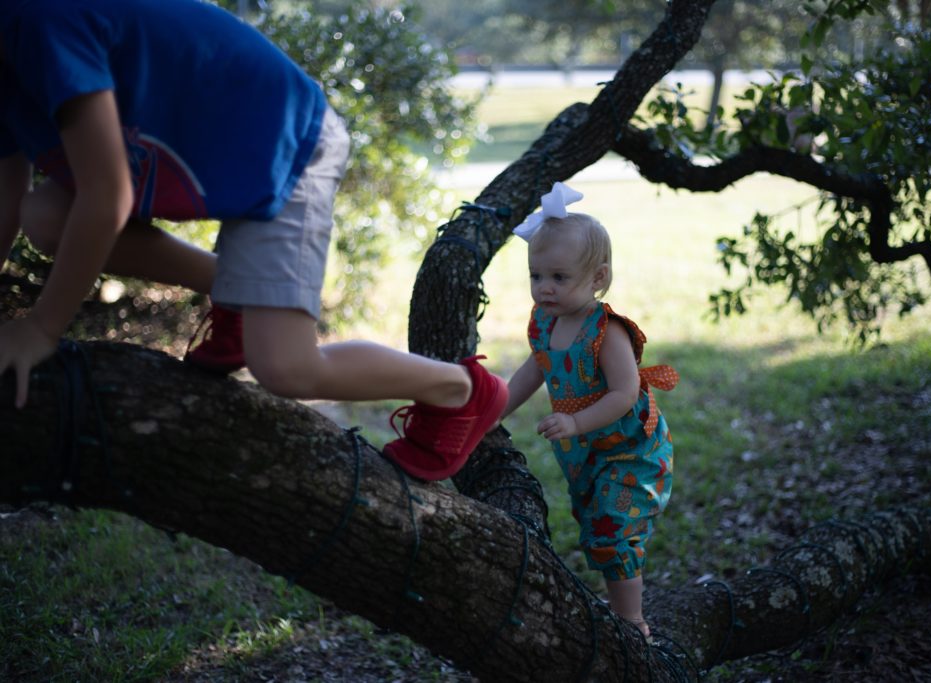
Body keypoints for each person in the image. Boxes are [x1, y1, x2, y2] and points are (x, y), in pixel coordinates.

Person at [0, 0, 507, 481]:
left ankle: (462, 390)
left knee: (286, 367)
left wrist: (42, 329)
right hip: (221, 152)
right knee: (45, 217)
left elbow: (106, 194)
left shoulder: (42, 16)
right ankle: (239, 294)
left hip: (287, 145)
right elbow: (6, 192)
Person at [497, 182, 678, 639]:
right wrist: (494, 409)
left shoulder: (606, 330)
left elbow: (624, 392)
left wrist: (576, 421)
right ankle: (618, 606)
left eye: (559, 277)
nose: (545, 287)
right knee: (594, 526)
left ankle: (632, 624)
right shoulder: (544, 322)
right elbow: (534, 370)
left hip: (632, 454)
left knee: (614, 531)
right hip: (587, 454)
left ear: (597, 278)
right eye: (536, 276)